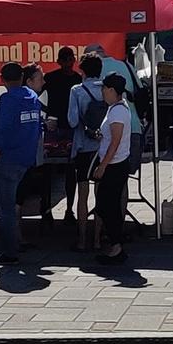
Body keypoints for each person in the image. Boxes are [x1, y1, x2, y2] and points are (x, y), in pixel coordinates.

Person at [0, 62, 45, 264]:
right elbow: (37, 127)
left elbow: (3, 127)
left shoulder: (7, 99)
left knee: (5, 208)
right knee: (10, 203)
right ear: (22, 78)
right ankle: (13, 245)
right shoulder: (33, 97)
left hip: (7, 158)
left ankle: (10, 252)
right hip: (26, 158)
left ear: (2, 80)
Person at [88, 74, 136, 265]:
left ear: (112, 90)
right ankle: (116, 244)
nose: (102, 92)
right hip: (114, 163)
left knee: (107, 206)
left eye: (104, 88)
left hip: (115, 165)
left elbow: (115, 142)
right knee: (106, 205)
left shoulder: (118, 112)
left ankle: (116, 245)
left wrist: (103, 166)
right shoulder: (115, 109)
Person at [65, 54, 109, 251]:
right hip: (103, 148)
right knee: (101, 195)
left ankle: (82, 240)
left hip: (84, 147)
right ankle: (98, 240)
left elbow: (72, 121)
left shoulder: (77, 90)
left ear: (82, 70)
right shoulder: (107, 89)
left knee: (82, 195)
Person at [42, 46, 83, 123]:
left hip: (73, 123)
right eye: (64, 60)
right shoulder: (50, 78)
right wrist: (46, 114)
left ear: (74, 60)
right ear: (59, 61)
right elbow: (36, 96)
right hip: (54, 122)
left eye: (70, 59)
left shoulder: (79, 79)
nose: (68, 63)